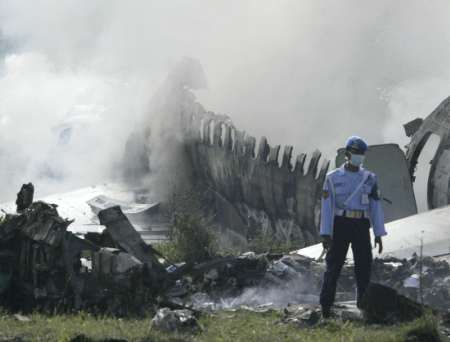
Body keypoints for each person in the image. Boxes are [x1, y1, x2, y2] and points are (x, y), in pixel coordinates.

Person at [319, 136, 387, 318]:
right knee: (334, 266)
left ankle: (363, 305)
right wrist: (325, 233)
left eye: (362, 154)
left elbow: (375, 206)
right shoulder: (332, 178)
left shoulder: (369, 179)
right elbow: (327, 207)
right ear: (348, 154)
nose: (360, 157)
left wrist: (379, 233)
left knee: (364, 266)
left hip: (361, 225)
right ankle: (326, 307)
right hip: (340, 225)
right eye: (357, 153)